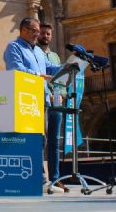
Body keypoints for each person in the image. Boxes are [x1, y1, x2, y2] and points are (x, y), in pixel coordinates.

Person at [3, 17, 61, 192]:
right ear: (24, 30)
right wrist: (39, 75)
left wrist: (69, 67)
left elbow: (49, 68)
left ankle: (41, 178)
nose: (38, 34)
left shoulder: (38, 52)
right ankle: (37, 179)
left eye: (38, 31)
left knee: (41, 140)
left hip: (41, 99)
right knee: (34, 139)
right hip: (25, 99)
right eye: (35, 30)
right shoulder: (14, 47)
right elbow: (15, 69)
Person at [38, 23, 69, 193]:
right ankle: (41, 176)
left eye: (48, 34)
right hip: (41, 100)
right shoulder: (35, 54)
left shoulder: (56, 57)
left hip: (57, 101)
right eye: (43, 33)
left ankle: (55, 178)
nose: (45, 36)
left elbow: (60, 78)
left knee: (55, 141)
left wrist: (62, 94)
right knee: (40, 140)